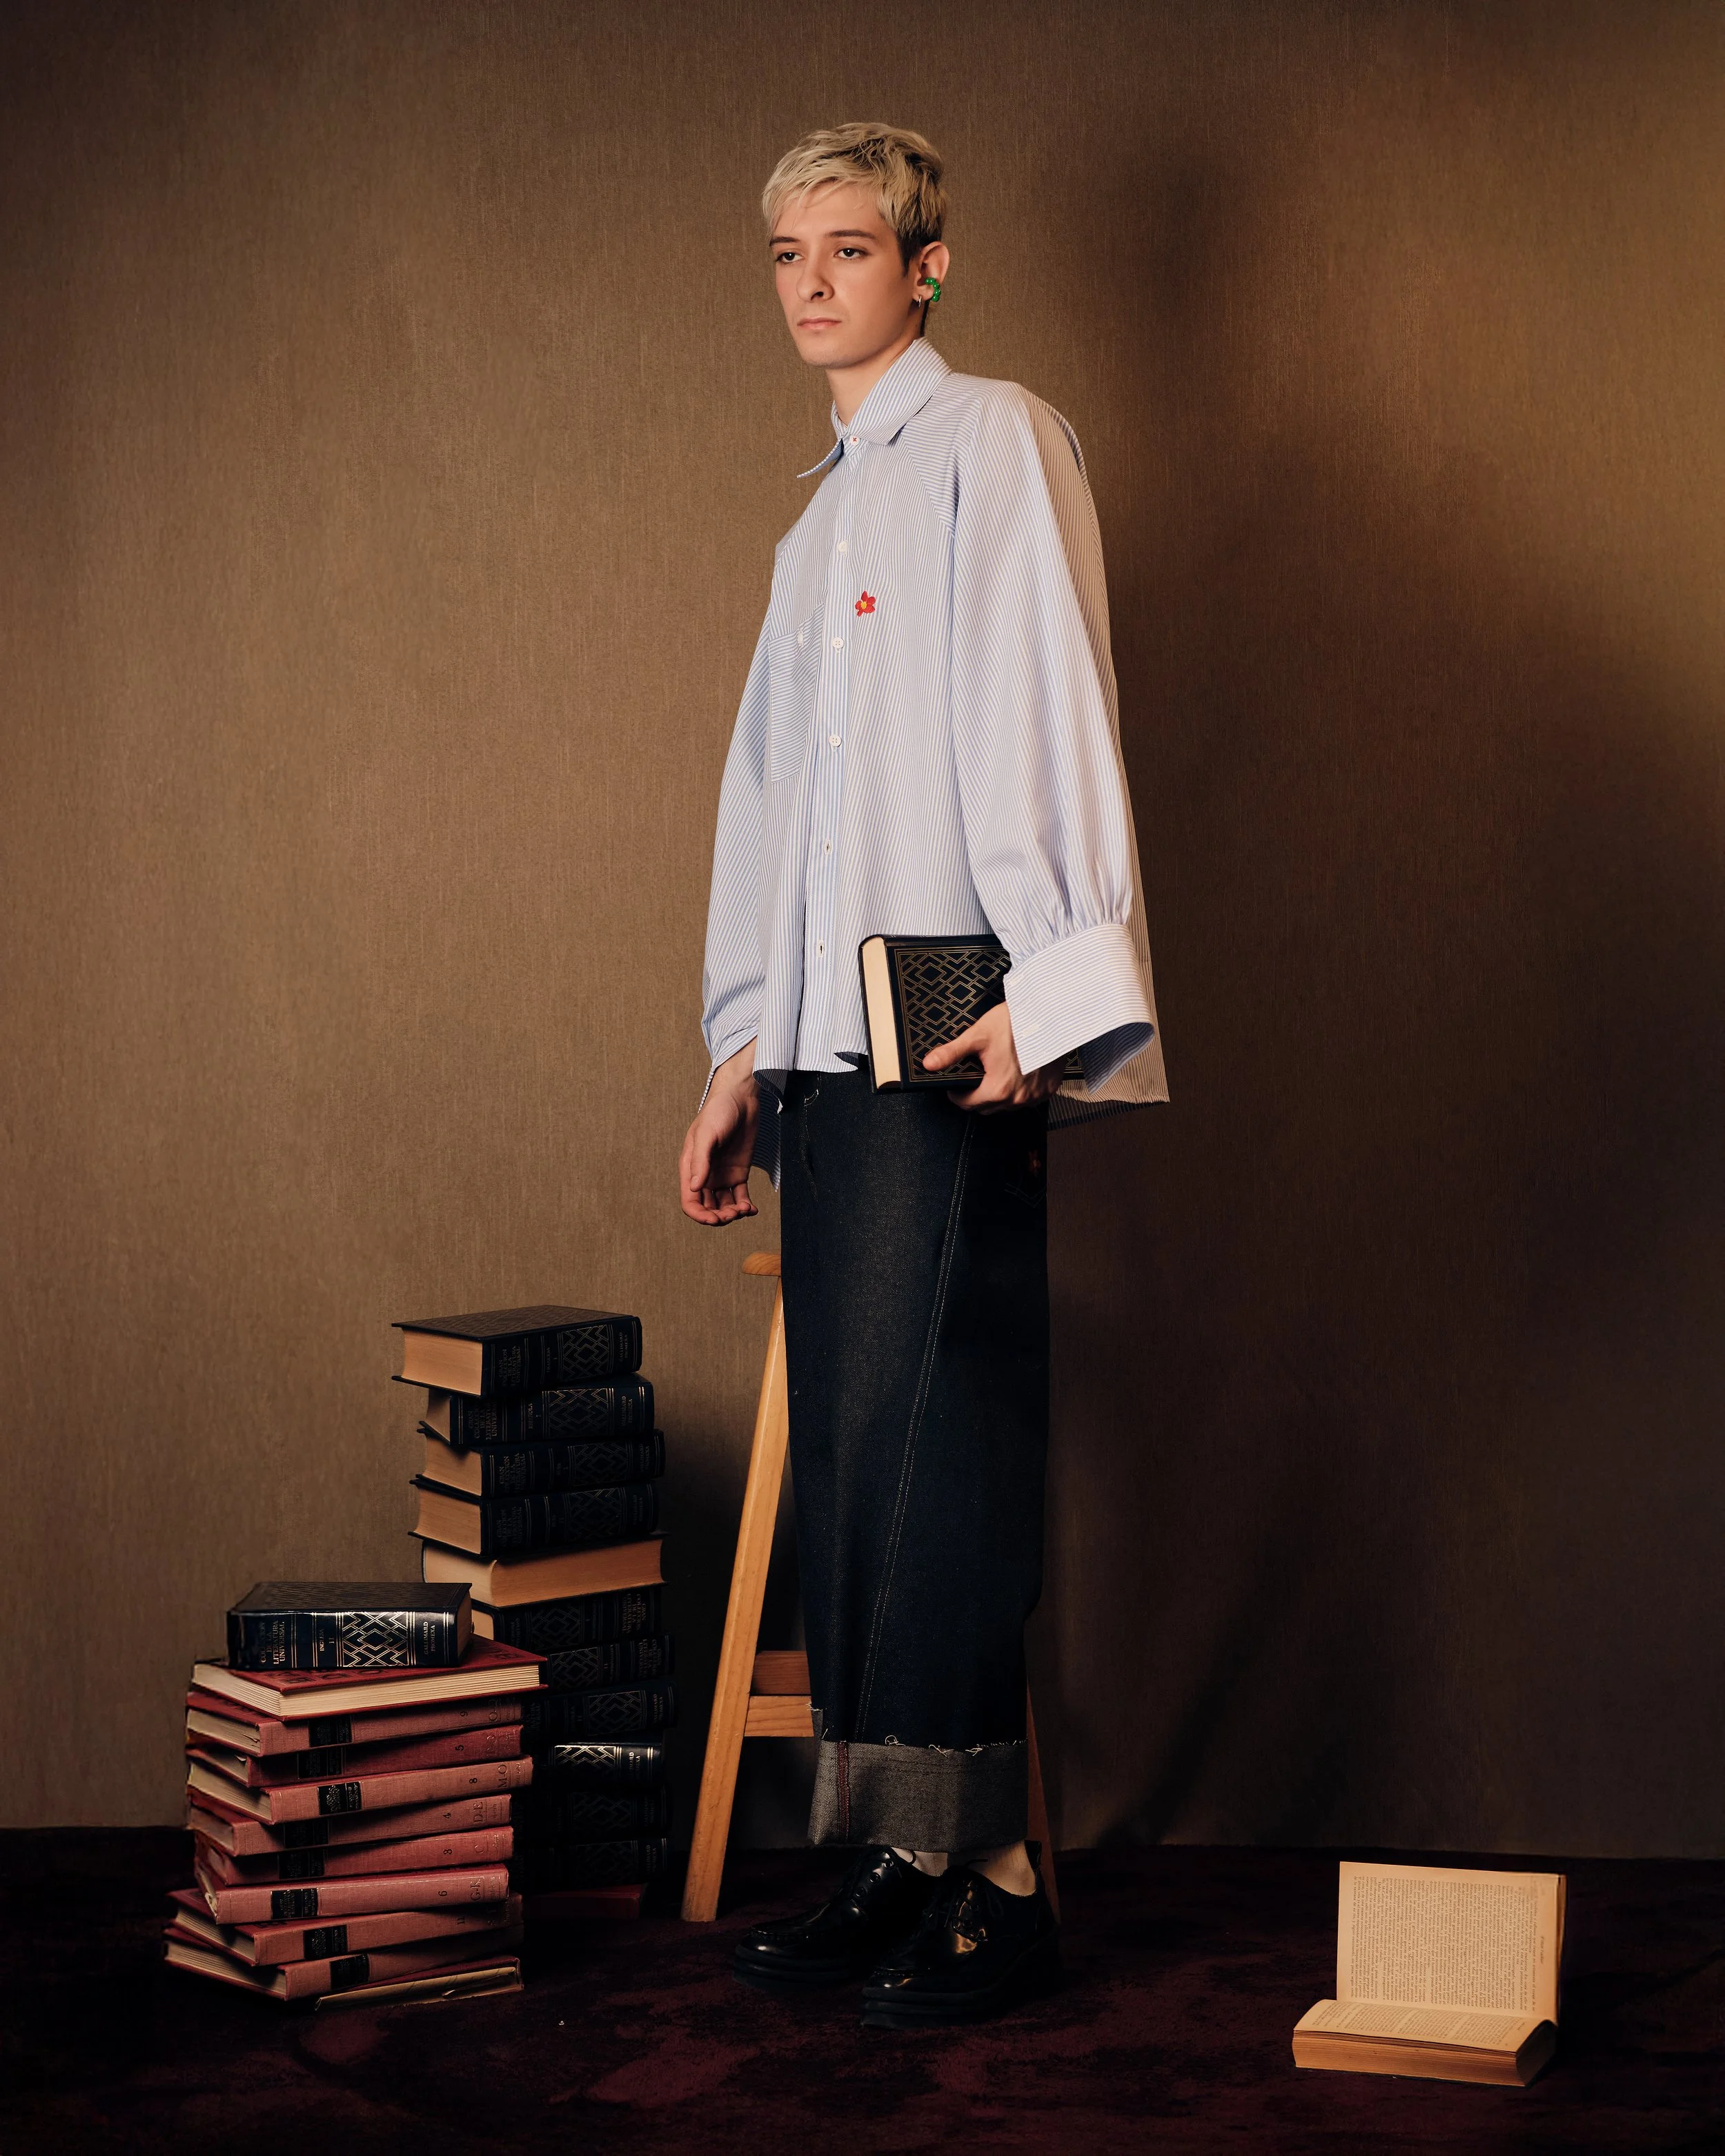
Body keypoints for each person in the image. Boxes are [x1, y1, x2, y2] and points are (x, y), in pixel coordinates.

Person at [680, 121, 1165, 2028]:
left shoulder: (993, 443)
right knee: (860, 1456)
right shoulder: (814, 530)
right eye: (786, 254)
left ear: (927, 263)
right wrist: (740, 1047)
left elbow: (1047, 701)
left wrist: (1046, 993)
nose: (813, 282)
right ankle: (899, 1855)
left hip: (951, 1025)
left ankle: (1000, 1885)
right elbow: (768, 806)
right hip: (822, 1047)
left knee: (940, 1442)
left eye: (851, 247)